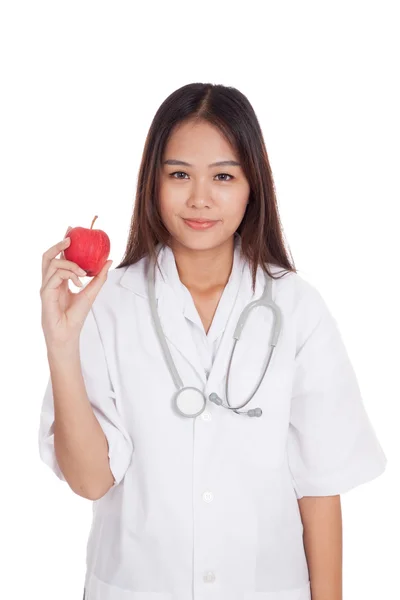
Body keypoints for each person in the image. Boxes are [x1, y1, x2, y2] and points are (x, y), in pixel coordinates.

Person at [38, 82, 387, 600]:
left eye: (223, 176)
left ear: (253, 185)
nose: (200, 198)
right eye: (179, 174)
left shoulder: (296, 308)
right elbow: (91, 481)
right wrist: (61, 346)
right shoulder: (105, 303)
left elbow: (319, 489)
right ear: (152, 182)